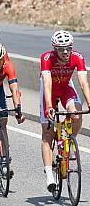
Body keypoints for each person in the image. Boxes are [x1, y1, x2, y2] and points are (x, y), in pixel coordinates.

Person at [40, 30, 90, 192]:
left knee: (76, 114)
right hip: (49, 92)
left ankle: (68, 140)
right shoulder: (47, 58)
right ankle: (49, 176)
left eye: (68, 48)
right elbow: (47, 83)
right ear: (55, 49)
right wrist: (49, 106)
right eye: (61, 49)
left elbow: (83, 82)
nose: (66, 52)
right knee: (47, 134)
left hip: (66, 89)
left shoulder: (77, 57)